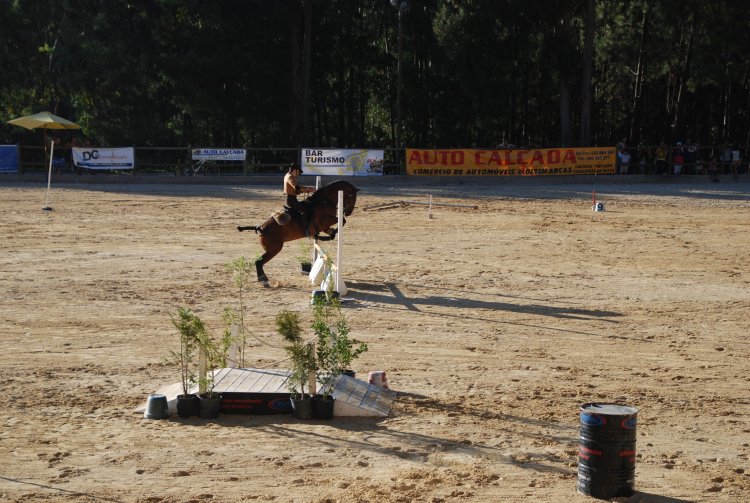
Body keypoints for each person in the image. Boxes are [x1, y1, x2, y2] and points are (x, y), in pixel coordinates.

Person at [283, 161, 314, 232]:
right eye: (298, 171)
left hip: (290, 199)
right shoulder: (290, 177)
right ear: (295, 170)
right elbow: (296, 187)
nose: (298, 174)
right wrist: (308, 189)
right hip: (291, 200)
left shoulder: (288, 175)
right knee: (304, 210)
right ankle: (305, 229)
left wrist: (307, 190)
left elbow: (296, 189)